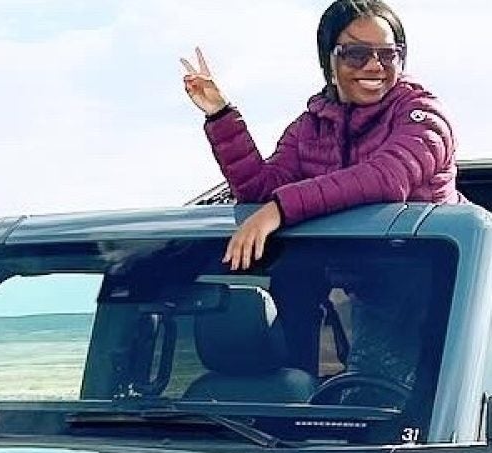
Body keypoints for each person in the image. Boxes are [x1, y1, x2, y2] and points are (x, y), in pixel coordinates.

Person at [181, 0, 460, 271]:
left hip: (438, 285)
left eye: (387, 54)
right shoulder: (309, 127)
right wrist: (220, 114)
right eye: (356, 54)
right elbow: (259, 193)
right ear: (329, 62)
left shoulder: (424, 115)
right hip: (357, 287)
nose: (375, 66)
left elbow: (388, 179)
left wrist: (280, 209)